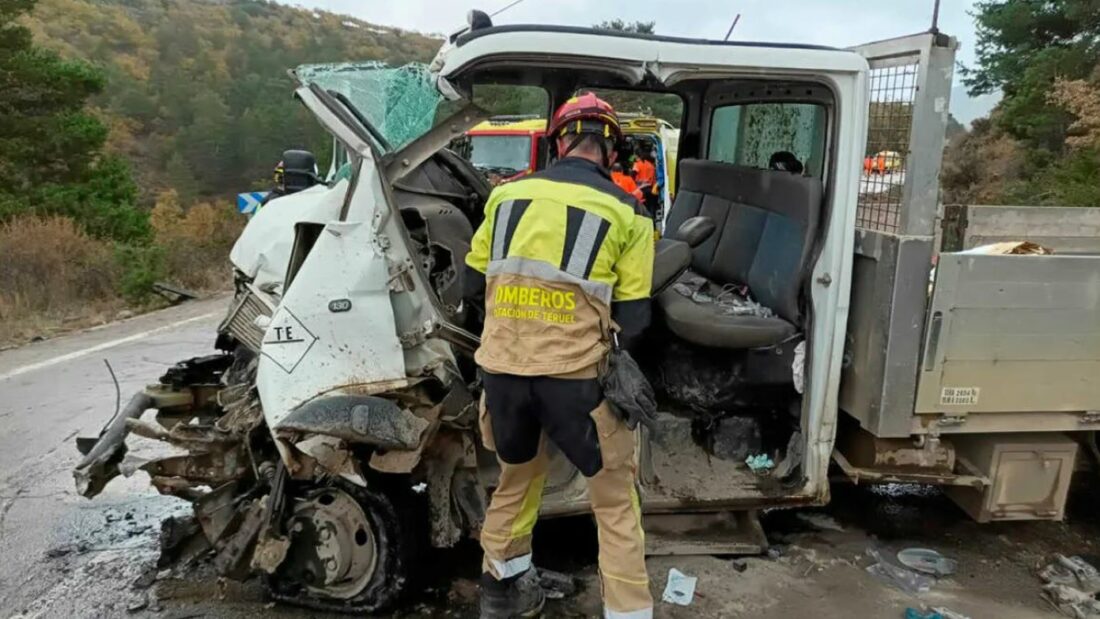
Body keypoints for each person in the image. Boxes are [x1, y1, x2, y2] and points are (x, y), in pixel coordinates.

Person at [465, 92, 655, 619]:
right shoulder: (629, 211)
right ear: (612, 150)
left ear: (557, 142)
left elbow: (467, 282)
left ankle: (503, 595)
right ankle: (628, 613)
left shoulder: (505, 198)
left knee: (517, 480)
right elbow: (636, 320)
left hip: (502, 375)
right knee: (615, 503)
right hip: (576, 382)